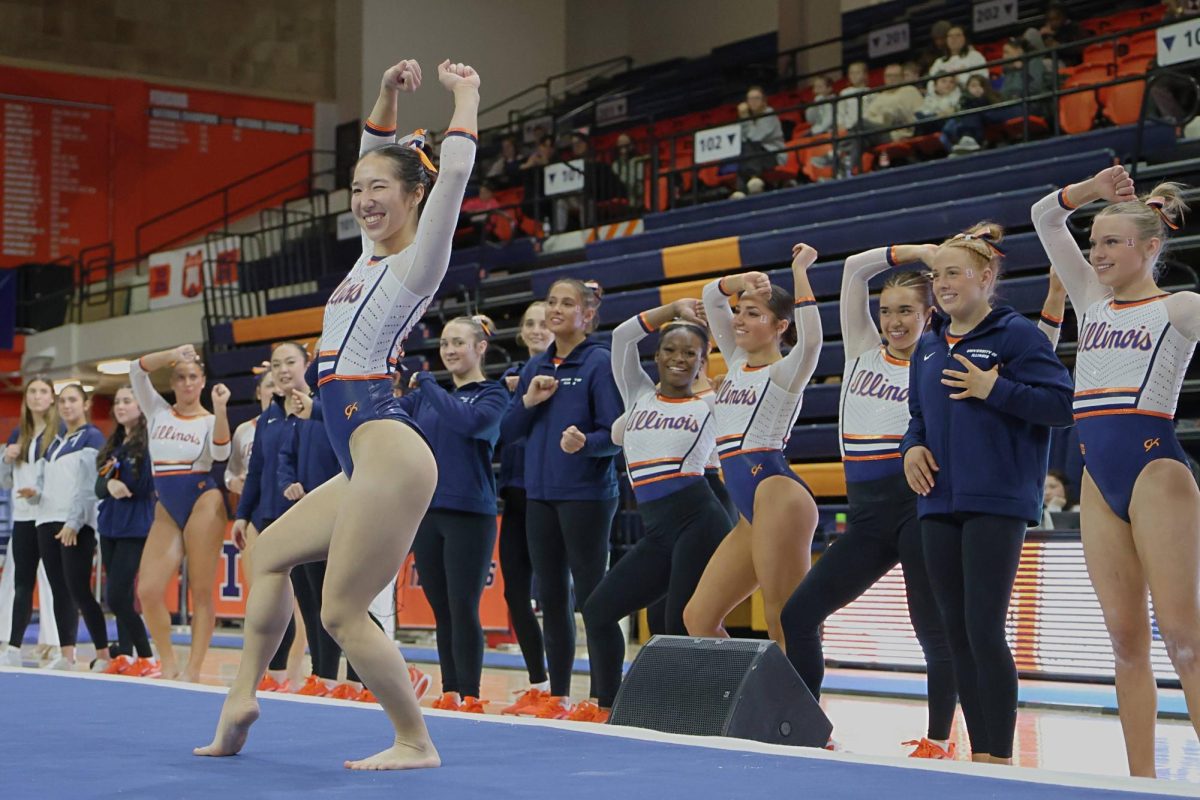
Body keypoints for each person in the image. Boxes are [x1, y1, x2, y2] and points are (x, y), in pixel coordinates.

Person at [195, 57, 479, 771]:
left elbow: (456, 177)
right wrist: (385, 94)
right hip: (361, 453)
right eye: (356, 190)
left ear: (416, 194)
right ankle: (239, 698)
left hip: (388, 447)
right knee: (267, 554)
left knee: (342, 612)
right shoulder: (365, 260)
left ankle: (416, 741)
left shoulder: (419, 261)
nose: (363, 199)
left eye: (379, 189)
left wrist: (466, 95)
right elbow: (368, 153)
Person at [1031, 165, 1200, 777]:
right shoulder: (1089, 300)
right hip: (1098, 481)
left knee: (1185, 642)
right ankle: (1142, 785)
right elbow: (1044, 218)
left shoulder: (1179, 307)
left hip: (1157, 473)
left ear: (1150, 248)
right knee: (1126, 646)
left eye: (1111, 241)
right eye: (1094, 241)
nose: (1096, 252)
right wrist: (1089, 194)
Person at [902, 222, 1074, 765]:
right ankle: (978, 755)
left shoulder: (1015, 334)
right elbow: (917, 418)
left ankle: (997, 757)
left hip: (996, 501)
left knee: (983, 627)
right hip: (937, 502)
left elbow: (1061, 406)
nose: (944, 284)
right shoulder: (927, 344)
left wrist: (993, 387)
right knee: (954, 633)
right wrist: (911, 448)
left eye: (954, 273)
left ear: (986, 275)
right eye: (937, 275)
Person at [781, 245, 956, 759]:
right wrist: (922, 252)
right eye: (886, 310)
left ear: (930, 313)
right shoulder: (861, 349)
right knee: (798, 615)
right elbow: (856, 271)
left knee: (934, 632)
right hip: (866, 518)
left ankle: (940, 740)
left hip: (919, 508)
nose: (893, 320)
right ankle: (808, 726)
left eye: (906, 310)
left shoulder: (940, 362)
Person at [579, 300, 731, 722]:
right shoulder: (638, 393)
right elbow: (623, 336)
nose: (679, 359)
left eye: (690, 354)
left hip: (700, 518)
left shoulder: (711, 406)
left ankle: (694, 710)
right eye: (670, 350)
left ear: (703, 361)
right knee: (599, 610)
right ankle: (607, 706)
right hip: (657, 527)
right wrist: (673, 310)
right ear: (657, 355)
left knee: (680, 621)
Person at [684, 244, 822, 648]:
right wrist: (739, 283)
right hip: (749, 510)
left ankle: (795, 709)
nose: (739, 320)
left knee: (782, 617)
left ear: (780, 326)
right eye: (740, 311)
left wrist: (800, 271)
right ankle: (742, 701)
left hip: (777, 493)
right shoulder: (736, 362)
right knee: (699, 617)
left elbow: (812, 341)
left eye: (753, 313)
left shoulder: (785, 371)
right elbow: (711, 297)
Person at [499, 278, 623, 720]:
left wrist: (584, 444)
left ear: (586, 315)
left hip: (587, 496)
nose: (555, 309)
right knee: (550, 597)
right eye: (551, 301)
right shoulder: (536, 367)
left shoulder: (599, 363)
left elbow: (615, 435)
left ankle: (607, 699)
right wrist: (528, 402)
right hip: (540, 496)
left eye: (566, 303)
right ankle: (559, 696)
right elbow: (506, 435)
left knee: (594, 599)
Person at [401, 315, 507, 713]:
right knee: (441, 608)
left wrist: (426, 383)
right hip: (427, 512)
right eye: (445, 343)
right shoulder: (427, 397)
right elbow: (385, 414)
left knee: (463, 605)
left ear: (480, 347)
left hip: (470, 514)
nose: (449, 350)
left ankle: (472, 694)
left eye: (458, 342)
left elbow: (469, 425)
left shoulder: (492, 395)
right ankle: (450, 690)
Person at [129, 346, 231, 682]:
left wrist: (220, 409)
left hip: (204, 499)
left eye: (193, 377)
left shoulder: (210, 419)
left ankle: (194, 669)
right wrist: (173, 353)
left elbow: (220, 453)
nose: (187, 383)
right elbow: (136, 369)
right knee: (148, 590)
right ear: (172, 382)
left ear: (202, 381)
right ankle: (168, 661)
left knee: (201, 590)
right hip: (167, 506)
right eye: (181, 377)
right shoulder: (156, 410)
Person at [233, 341, 310, 693]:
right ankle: (276, 673)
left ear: (306, 364)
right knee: (272, 600)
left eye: (290, 362)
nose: (283, 370)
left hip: (309, 516)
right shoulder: (269, 417)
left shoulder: (319, 408)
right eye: (276, 364)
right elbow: (257, 470)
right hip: (269, 517)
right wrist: (242, 515)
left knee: (315, 601)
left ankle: (326, 675)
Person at [496, 301, 552, 715]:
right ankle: (539, 681)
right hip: (513, 495)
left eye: (543, 322)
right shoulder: (508, 379)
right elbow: (498, 433)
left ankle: (561, 688)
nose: (536, 329)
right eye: (528, 323)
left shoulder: (567, 373)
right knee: (514, 593)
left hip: (550, 495)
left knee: (551, 592)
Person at [30, 385, 108, 670]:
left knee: (79, 589)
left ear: (86, 404)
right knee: (58, 591)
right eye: (62, 401)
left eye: (72, 400)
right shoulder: (55, 441)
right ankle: (67, 654)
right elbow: (47, 481)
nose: (66, 405)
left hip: (74, 524)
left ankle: (103, 654)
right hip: (46, 520)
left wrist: (74, 522)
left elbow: (88, 486)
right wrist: (34, 495)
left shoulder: (92, 437)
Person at [95, 385, 158, 676]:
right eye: (117, 402)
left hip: (135, 526)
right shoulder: (114, 443)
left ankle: (147, 656)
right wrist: (109, 484)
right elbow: (98, 486)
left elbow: (144, 487)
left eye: (127, 401)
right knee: (120, 595)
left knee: (117, 595)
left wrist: (119, 481)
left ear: (140, 406)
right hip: (110, 526)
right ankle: (125, 654)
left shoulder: (148, 443)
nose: (121, 406)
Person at [0, 377, 62, 667]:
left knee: (53, 582)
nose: (37, 397)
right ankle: (12, 645)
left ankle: (56, 643)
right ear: (26, 398)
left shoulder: (58, 432)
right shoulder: (19, 433)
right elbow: (6, 480)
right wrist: (5, 459)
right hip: (24, 516)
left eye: (43, 392)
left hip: (50, 515)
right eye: (32, 392)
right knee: (20, 582)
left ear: (52, 398)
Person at [928, 26, 988, 92]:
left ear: (964, 38)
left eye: (958, 35)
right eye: (950, 36)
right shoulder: (939, 62)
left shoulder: (975, 56)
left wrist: (959, 79)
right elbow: (930, 84)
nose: (954, 39)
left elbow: (983, 79)